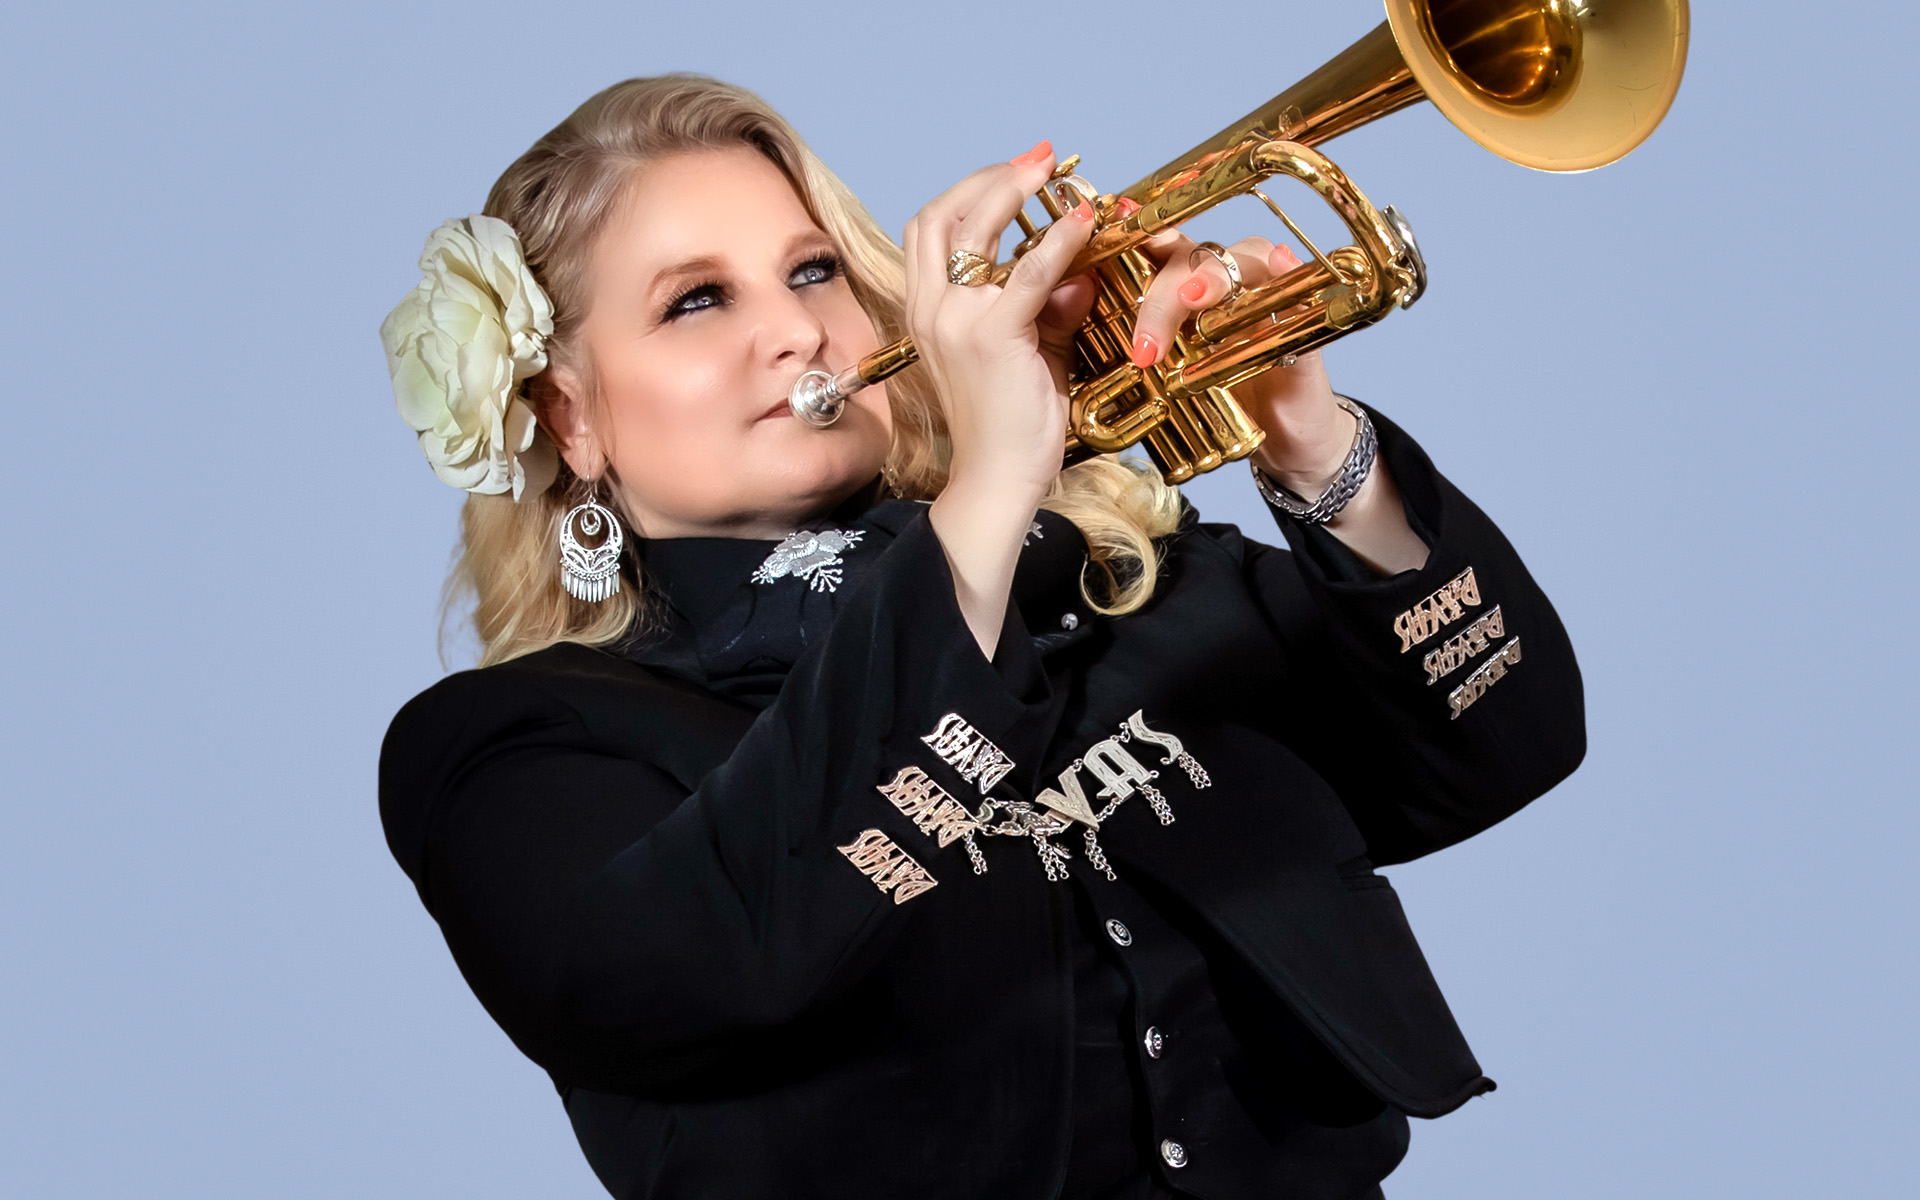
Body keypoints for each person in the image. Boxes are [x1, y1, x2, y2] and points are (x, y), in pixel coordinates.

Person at [377, 74, 1585, 1200]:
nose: (797, 334)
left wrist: (1314, 447)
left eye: (811, 273)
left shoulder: (1113, 574)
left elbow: (1502, 745)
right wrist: (993, 489)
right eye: (697, 300)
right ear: (568, 417)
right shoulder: (510, 749)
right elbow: (703, 971)